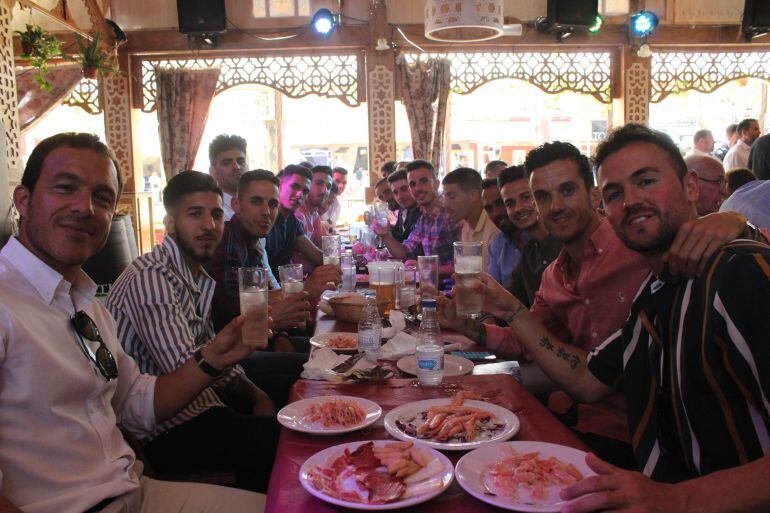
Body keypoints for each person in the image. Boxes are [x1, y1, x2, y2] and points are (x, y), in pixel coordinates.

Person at [475, 123, 770, 513]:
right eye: (616, 193)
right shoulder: (653, 296)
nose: (631, 201)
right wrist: (507, 310)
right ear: (606, 208)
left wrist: (677, 498)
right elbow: (586, 380)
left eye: (646, 181)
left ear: (691, 187)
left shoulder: (737, 274)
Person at [0, 133, 264, 512]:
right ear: (23, 200)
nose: (85, 207)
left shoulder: (86, 306)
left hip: (136, 494)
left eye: (102, 198)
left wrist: (213, 359)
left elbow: (136, 404)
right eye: (65, 188)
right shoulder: (6, 302)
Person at [107, 171, 281, 492]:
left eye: (216, 215)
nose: (209, 225)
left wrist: (257, 394)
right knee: (286, 441)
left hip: (198, 409)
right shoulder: (152, 278)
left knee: (288, 396)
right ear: (170, 223)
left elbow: (211, 354)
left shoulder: (196, 276)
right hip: (161, 432)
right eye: (194, 214)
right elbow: (189, 370)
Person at [206, 169, 340, 334]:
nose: (266, 212)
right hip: (232, 349)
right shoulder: (228, 239)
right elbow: (231, 310)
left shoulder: (253, 240)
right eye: (256, 202)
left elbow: (262, 294)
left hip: (264, 334)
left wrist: (279, 336)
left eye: (273, 204)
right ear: (236, 206)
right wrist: (305, 289)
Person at [374, 160, 459, 275]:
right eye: (412, 184)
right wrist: (385, 235)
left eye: (423, 181)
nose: (417, 188)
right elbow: (405, 252)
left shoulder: (451, 212)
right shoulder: (424, 217)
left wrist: (424, 268)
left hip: (453, 287)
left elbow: (465, 265)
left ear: (437, 184)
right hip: (433, 287)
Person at [498, 165, 562, 307]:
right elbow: (510, 300)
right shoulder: (530, 251)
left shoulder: (565, 244)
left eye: (525, 197)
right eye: (510, 203)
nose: (518, 208)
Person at [264, 165, 323, 278]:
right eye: (295, 186)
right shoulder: (265, 219)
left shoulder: (292, 221)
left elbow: (316, 256)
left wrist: (346, 259)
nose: (300, 194)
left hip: (284, 288)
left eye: (305, 191)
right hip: (268, 290)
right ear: (280, 185)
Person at [442, 168, 500, 271]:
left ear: (474, 195)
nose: (445, 204)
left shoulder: (494, 229)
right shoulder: (466, 226)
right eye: (444, 197)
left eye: (451, 196)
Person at [481, 177, 522, 286]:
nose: (495, 213)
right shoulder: (497, 243)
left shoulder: (539, 237)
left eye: (500, 203)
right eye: (489, 209)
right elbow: (493, 291)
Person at [292, 165, 333, 274]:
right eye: (319, 184)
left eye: (328, 186)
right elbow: (318, 257)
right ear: (308, 185)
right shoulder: (298, 214)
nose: (325, 191)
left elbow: (324, 246)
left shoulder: (314, 213)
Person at [208, 134, 248, 221]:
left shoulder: (260, 204)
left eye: (241, 161)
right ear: (213, 172)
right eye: (226, 163)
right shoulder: (211, 212)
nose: (236, 167)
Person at [386, 169, 421, 243]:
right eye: (395, 192)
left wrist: (386, 233)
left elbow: (407, 250)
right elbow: (404, 238)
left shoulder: (423, 212)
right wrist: (387, 229)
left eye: (404, 189)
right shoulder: (409, 210)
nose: (400, 196)